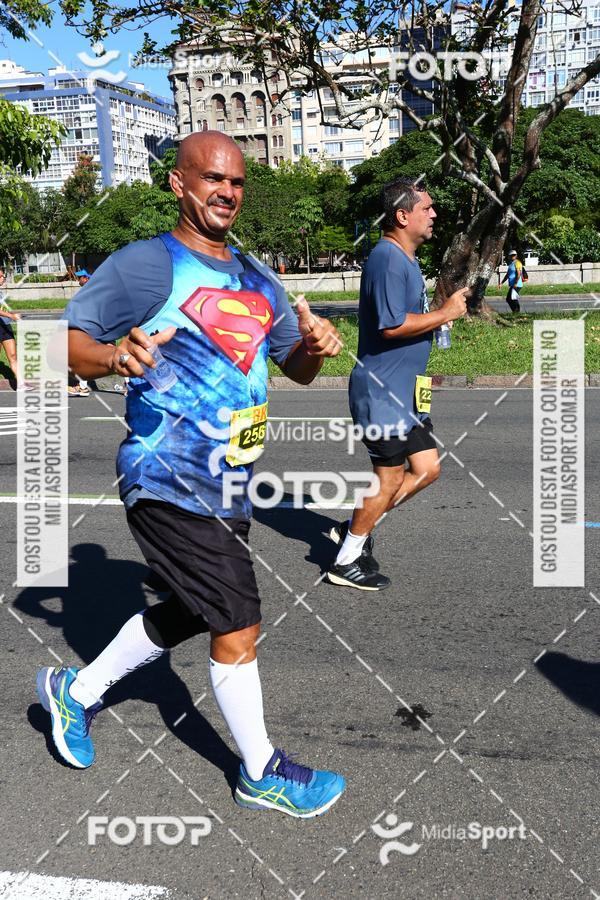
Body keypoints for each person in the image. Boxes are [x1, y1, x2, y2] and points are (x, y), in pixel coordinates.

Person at [37, 131, 346, 818]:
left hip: (230, 481)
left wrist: (319, 347)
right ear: (178, 184)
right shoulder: (148, 266)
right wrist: (116, 355)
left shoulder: (259, 276)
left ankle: (74, 692)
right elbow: (61, 344)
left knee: (189, 611)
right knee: (238, 618)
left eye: (236, 182)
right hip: (166, 477)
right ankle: (261, 771)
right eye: (211, 178)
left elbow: (294, 365)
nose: (226, 192)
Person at [327, 176, 468, 590]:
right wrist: (445, 314)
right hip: (382, 392)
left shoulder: (407, 259)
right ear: (402, 215)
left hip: (407, 394)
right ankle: (346, 560)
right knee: (387, 477)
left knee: (426, 469)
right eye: (427, 208)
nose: (434, 214)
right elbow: (391, 326)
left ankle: (357, 524)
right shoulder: (387, 259)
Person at [68, 270, 93, 396]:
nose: (78, 280)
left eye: (80, 278)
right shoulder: (94, 289)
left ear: (86, 278)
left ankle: (82, 387)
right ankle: (82, 386)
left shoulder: (89, 291)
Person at [0, 268, 21, 386]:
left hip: (5, 325)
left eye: (3, 276)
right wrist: (11, 316)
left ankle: (21, 384)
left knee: (13, 356)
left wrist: (10, 316)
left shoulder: (1, 292)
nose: (3, 278)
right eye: (1, 276)